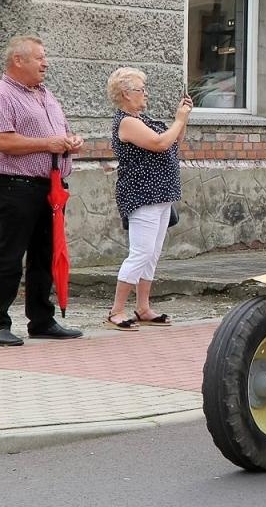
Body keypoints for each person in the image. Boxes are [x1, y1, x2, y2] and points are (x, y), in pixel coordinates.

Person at [0, 34, 84, 345]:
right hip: (16, 186)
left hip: (51, 187)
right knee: (8, 256)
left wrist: (71, 141)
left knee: (45, 256)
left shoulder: (45, 94)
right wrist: (48, 143)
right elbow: (4, 140)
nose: (45, 63)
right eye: (39, 57)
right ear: (17, 60)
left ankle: (42, 320)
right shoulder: (4, 94)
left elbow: (59, 132)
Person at [104, 68, 189, 330]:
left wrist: (183, 119)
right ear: (126, 94)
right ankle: (116, 311)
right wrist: (178, 119)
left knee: (152, 253)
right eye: (141, 89)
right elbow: (159, 144)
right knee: (140, 252)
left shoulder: (144, 119)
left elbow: (174, 141)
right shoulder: (126, 122)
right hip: (143, 195)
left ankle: (143, 307)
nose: (146, 94)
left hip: (161, 194)